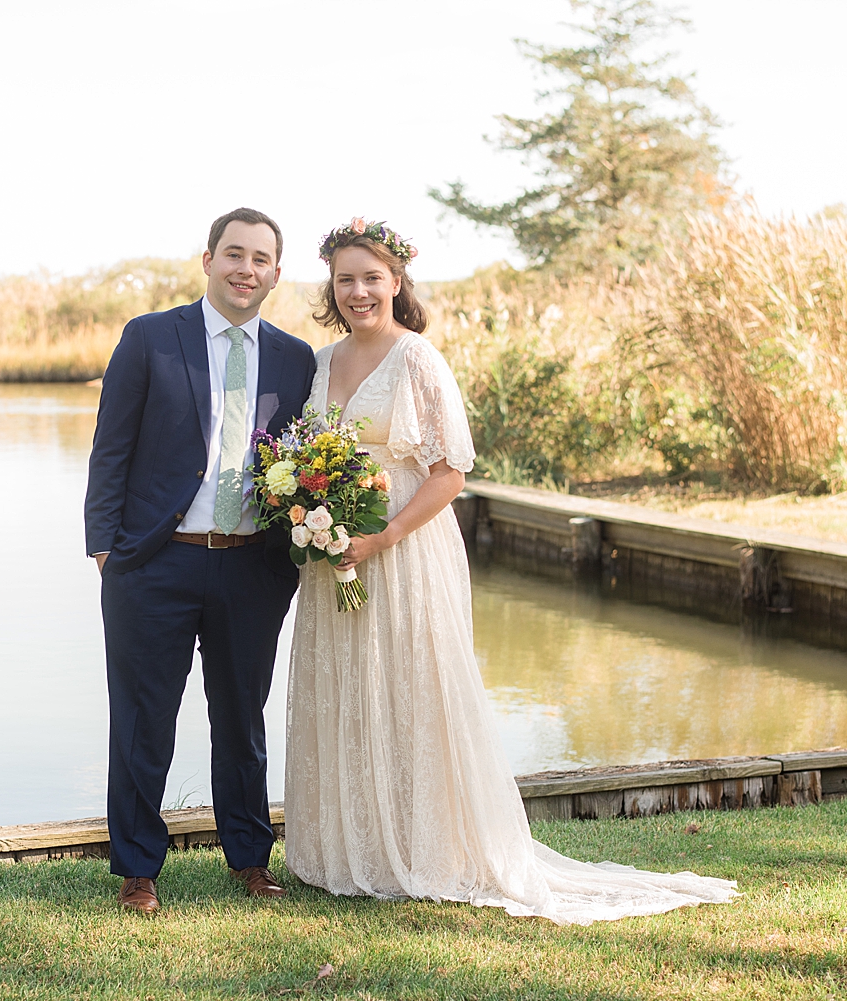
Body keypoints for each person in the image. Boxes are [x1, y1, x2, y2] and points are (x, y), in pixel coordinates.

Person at [282, 219, 737, 925]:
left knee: (409, 688)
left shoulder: (419, 359)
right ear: (330, 287)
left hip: (401, 549)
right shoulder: (322, 361)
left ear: (397, 282)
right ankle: (355, 846)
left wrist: (383, 538)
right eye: (345, 279)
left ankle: (425, 845)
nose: (359, 291)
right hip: (335, 553)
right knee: (348, 686)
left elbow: (450, 473)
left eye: (372, 277)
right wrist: (316, 517)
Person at [84, 208, 317, 915]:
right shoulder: (151, 338)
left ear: (276, 272)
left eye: (262, 259)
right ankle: (136, 869)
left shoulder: (295, 357)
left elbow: (304, 460)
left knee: (242, 719)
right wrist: (105, 549)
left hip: (253, 566)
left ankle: (249, 857)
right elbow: (111, 448)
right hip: (154, 562)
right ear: (208, 260)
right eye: (234, 254)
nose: (247, 269)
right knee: (143, 719)